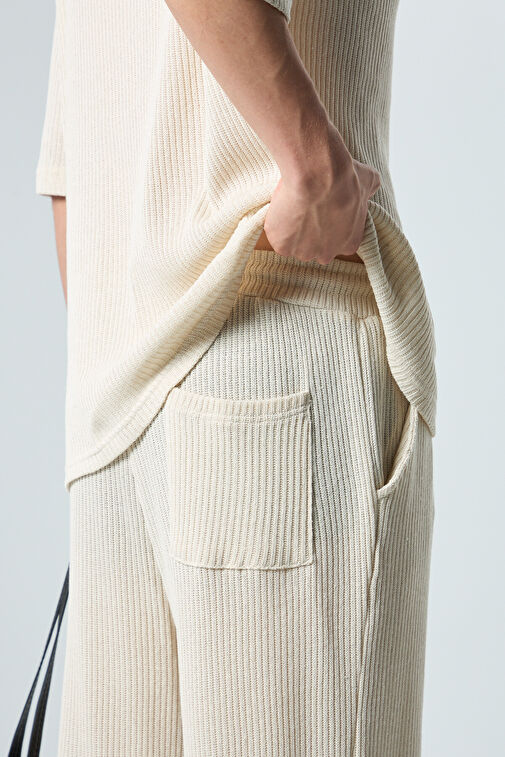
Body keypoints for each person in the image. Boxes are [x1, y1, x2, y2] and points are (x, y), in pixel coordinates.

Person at [36, 0, 437, 754]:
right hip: (278, 348)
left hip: (116, 400)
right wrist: (314, 166)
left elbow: (67, 167)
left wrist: (124, 345)